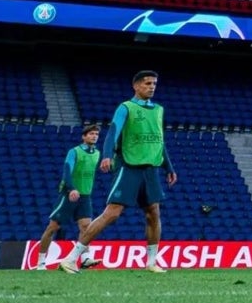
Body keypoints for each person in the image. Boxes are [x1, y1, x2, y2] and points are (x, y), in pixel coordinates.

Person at [63, 70, 179, 273]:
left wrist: (168, 167)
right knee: (112, 213)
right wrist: (107, 155)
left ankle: (151, 262)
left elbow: (159, 141)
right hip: (129, 166)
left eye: (154, 83)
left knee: (153, 213)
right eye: (147, 83)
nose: (152, 86)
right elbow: (113, 131)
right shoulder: (126, 107)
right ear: (136, 86)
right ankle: (71, 258)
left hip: (151, 169)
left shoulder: (159, 110)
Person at [31, 122, 103, 270]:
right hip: (69, 194)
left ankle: (85, 258)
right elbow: (67, 170)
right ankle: (40, 262)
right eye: (91, 134)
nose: (94, 136)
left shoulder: (97, 153)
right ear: (84, 136)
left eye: (96, 134)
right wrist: (71, 189)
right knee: (53, 227)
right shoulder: (74, 151)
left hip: (85, 196)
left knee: (86, 227)